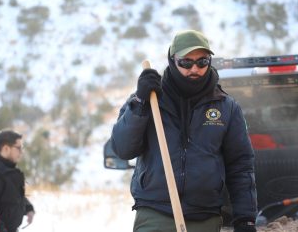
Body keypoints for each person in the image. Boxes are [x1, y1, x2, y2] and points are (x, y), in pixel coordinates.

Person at [110, 30, 257, 232]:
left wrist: (245, 219)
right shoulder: (150, 100)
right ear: (172, 60)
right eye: (186, 62)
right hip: (155, 212)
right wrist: (140, 103)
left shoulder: (226, 107)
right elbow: (123, 149)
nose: (194, 68)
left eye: (202, 62)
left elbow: (240, 166)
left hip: (205, 216)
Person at [0, 130, 35, 232]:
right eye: (19, 148)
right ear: (6, 148)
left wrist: (28, 208)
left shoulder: (10, 172)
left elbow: (12, 196)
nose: (21, 152)